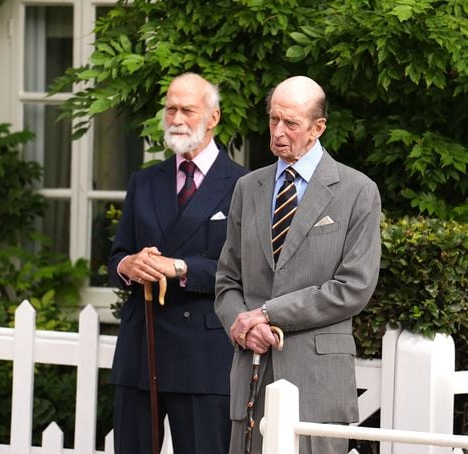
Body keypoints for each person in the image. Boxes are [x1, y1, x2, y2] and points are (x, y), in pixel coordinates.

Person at [214, 75, 382, 454]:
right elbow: (227, 281)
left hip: (318, 386)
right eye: (274, 119)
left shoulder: (358, 191)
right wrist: (242, 328)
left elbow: (353, 288)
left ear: (318, 127)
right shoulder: (248, 188)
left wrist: (266, 313)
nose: (278, 132)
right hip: (253, 376)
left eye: (291, 123)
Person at [108, 72, 248, 454]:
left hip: (204, 355)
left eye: (187, 109)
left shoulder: (244, 185)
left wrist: (181, 268)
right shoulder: (145, 181)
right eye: (170, 109)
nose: (176, 118)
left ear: (213, 118)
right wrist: (130, 265)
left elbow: (248, 273)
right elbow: (116, 256)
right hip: (142, 349)